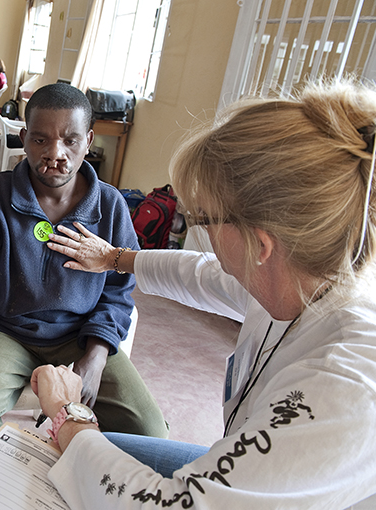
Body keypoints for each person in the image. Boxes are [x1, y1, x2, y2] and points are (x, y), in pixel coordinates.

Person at [33, 78, 376, 509]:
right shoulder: (303, 274)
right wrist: (115, 257)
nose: (201, 234)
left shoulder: (347, 387)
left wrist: (69, 416)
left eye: (205, 218)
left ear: (260, 244)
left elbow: (169, 504)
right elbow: (200, 273)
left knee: (73, 457)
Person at [0, 83, 168, 452]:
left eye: (70, 141)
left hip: (80, 335)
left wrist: (95, 358)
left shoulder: (111, 207)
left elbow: (117, 293)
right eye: (40, 140)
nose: (55, 154)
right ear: (23, 138)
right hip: (3, 329)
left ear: (89, 140)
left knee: (150, 433)